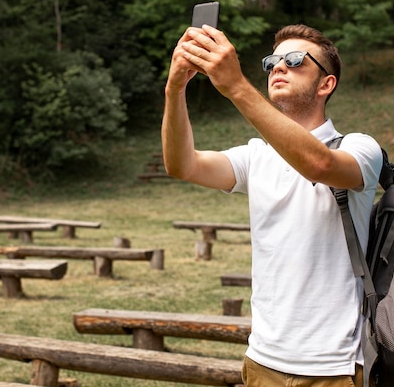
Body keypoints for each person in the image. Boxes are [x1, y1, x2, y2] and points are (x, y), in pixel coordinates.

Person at [162, 23, 382, 387]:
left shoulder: (359, 147)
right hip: (262, 361)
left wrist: (235, 87)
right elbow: (181, 165)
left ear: (326, 84)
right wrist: (174, 88)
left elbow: (320, 165)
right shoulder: (256, 156)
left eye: (295, 60)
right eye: (272, 62)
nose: (279, 67)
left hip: (335, 368)